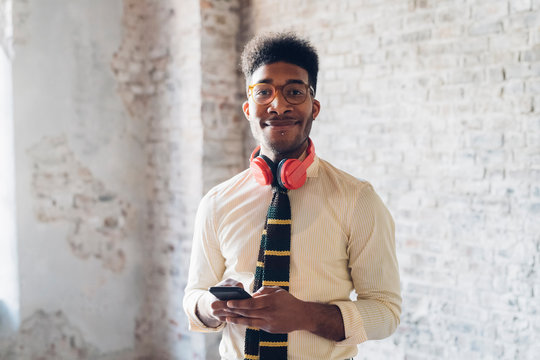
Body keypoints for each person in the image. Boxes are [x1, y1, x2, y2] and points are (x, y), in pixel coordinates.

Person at [183, 32, 401, 360]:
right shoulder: (216, 202)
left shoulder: (358, 199)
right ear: (248, 108)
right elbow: (193, 295)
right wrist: (209, 306)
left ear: (314, 107)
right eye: (264, 91)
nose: (279, 104)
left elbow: (386, 313)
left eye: (294, 92)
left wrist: (306, 316)